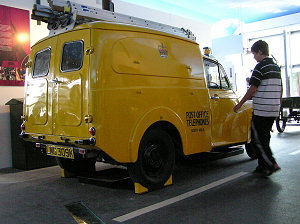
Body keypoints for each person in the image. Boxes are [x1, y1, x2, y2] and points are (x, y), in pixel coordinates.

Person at [233, 40, 282, 176]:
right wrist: (278, 104)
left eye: (254, 53)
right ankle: (263, 165)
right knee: (264, 137)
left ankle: (271, 163)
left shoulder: (260, 66)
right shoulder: (275, 67)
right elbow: (280, 88)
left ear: (260, 52)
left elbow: (253, 88)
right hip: (273, 109)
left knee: (257, 139)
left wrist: (239, 104)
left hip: (262, 110)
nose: (254, 56)